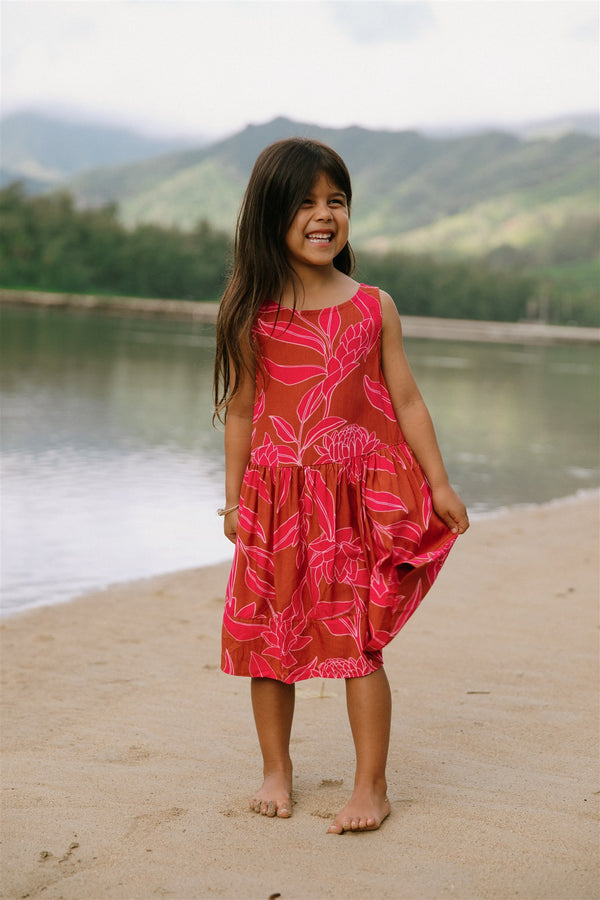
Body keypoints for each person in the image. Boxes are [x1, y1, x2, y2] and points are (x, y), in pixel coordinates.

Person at [213, 138, 469, 835]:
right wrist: (235, 500)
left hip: (346, 507)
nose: (323, 215)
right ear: (270, 215)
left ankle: (371, 786)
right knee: (273, 641)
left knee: (358, 643)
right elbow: (241, 410)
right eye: (304, 202)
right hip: (274, 504)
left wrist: (439, 484)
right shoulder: (250, 312)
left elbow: (407, 401)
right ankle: (276, 769)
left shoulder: (372, 307)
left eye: (335, 201)